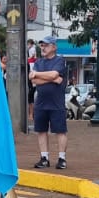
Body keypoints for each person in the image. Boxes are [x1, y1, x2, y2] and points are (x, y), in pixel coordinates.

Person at [32, 35, 68, 170]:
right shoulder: (38, 62)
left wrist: (39, 75)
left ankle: (62, 158)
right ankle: (44, 157)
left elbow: (53, 74)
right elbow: (34, 80)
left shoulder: (60, 61)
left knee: (60, 131)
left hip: (57, 102)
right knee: (41, 130)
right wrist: (52, 78)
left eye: (46, 45)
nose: (43, 48)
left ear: (54, 47)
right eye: (42, 45)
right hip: (41, 102)